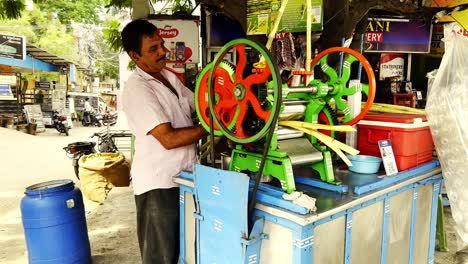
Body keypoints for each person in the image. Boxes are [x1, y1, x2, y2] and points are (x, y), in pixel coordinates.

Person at [121, 19, 207, 264]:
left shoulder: (167, 75)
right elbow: (168, 139)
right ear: (135, 56)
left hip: (185, 177)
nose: (163, 52)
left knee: (183, 251)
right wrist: (212, 127)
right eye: (153, 49)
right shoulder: (137, 89)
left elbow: (197, 105)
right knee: (161, 256)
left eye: (161, 44)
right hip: (159, 185)